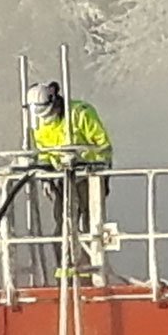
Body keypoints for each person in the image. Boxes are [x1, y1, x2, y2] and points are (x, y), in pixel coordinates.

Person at [24, 81, 113, 243]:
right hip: (62, 177)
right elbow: (43, 151)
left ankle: (90, 262)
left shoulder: (80, 113)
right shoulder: (37, 123)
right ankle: (65, 265)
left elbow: (103, 146)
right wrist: (46, 176)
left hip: (89, 174)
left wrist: (99, 173)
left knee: (90, 222)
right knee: (63, 222)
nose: (47, 119)